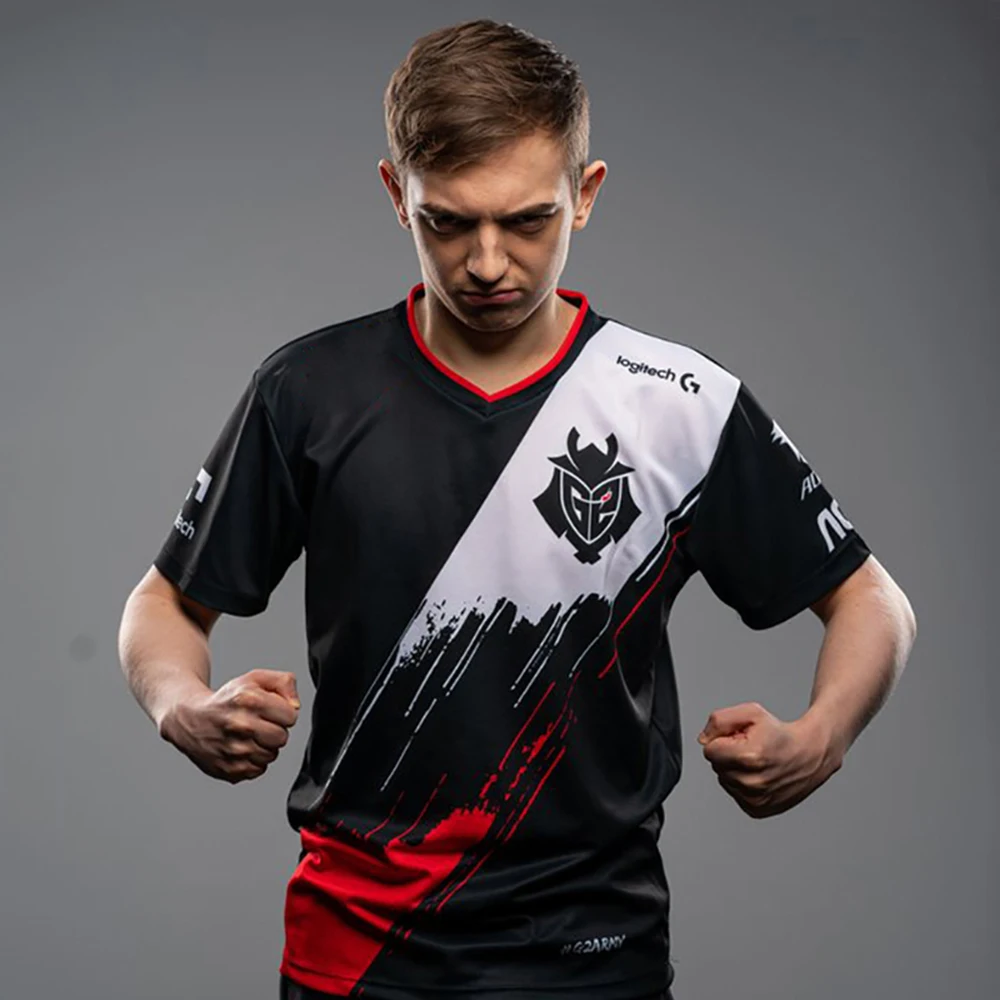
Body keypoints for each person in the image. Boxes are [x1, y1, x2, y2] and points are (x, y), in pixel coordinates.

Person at [118, 17, 917, 1000]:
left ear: (586, 194)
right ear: (396, 195)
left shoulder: (680, 404)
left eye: (527, 221)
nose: (488, 262)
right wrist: (182, 705)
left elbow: (870, 601)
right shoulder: (306, 393)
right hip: (356, 953)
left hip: (596, 954)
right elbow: (164, 603)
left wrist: (821, 734)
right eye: (448, 222)